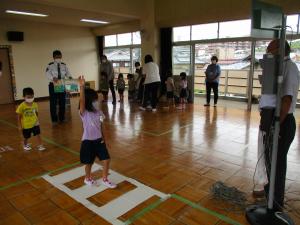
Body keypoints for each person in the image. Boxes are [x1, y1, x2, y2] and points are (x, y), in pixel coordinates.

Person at [262, 39, 300, 211]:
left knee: (277, 163)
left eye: (271, 48)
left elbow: (287, 99)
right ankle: (270, 193)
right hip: (274, 121)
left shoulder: (290, 68)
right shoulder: (278, 67)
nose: (268, 51)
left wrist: (276, 125)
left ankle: (276, 203)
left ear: (280, 50)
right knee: (270, 160)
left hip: (283, 123)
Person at [78, 75, 116, 188]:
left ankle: (105, 178)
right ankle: (87, 177)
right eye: (94, 99)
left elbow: (101, 126)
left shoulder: (99, 112)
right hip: (88, 142)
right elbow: (82, 101)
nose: (97, 101)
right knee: (89, 163)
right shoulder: (84, 113)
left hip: (99, 140)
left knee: (106, 159)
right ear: (89, 101)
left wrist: (104, 138)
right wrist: (81, 87)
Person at [46, 50, 72, 124]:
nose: (59, 58)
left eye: (60, 57)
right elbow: (47, 74)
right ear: (53, 57)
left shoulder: (64, 65)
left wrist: (71, 78)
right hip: (53, 85)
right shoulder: (50, 65)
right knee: (53, 103)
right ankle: (54, 120)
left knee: (62, 102)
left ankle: (62, 118)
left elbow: (68, 73)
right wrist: (52, 78)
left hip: (61, 85)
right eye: (57, 57)